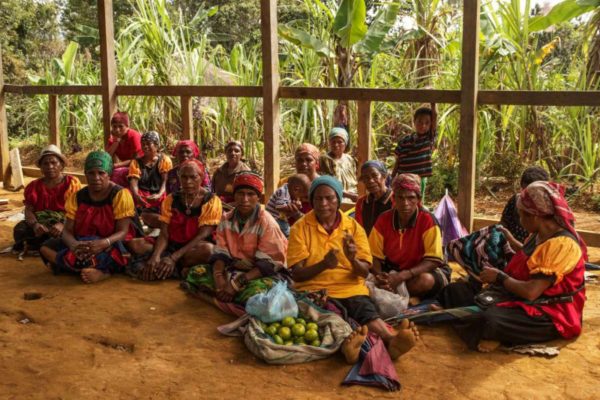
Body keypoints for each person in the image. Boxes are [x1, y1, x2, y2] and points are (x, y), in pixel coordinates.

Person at [438, 181, 587, 352]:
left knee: (489, 320)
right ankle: (477, 326)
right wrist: (507, 238)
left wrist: (500, 277)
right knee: (455, 290)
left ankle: (486, 329)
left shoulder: (562, 244)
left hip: (549, 313)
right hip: (517, 298)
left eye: (522, 215)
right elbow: (528, 256)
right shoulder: (538, 235)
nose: (520, 221)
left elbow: (531, 292)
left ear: (535, 216)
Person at [287, 176, 419, 363]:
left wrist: (352, 259)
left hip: (351, 288)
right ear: (312, 200)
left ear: (338, 200)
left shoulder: (354, 228)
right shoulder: (299, 228)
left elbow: (364, 272)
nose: (324, 204)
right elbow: (297, 275)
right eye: (318, 199)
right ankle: (347, 346)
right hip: (314, 290)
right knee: (332, 316)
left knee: (366, 311)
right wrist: (324, 264)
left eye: (330, 198)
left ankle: (391, 340)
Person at [186, 171, 288, 304]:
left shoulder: (266, 222)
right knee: (196, 272)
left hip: (259, 273)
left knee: (256, 294)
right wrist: (219, 279)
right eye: (240, 193)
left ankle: (224, 294)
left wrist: (235, 285)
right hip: (234, 269)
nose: (245, 199)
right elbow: (221, 253)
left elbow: (268, 264)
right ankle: (224, 292)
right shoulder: (226, 218)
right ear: (234, 196)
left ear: (258, 198)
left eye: (250, 194)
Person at [39, 151, 137, 284]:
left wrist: (103, 243)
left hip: (110, 242)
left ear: (109, 174)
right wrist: (74, 245)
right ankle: (88, 267)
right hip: (82, 242)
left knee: (121, 253)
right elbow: (67, 230)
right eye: (91, 173)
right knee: (45, 248)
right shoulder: (77, 197)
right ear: (85, 174)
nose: (96, 178)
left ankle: (96, 270)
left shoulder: (120, 195)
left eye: (101, 173)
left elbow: (123, 232)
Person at [134, 160, 222, 281]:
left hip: (194, 246)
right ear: (179, 178)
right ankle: (170, 267)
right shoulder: (171, 199)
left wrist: (173, 258)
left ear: (201, 177)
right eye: (184, 177)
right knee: (136, 244)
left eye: (193, 177)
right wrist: (156, 256)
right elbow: (164, 233)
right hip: (172, 243)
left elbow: (203, 235)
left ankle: (169, 265)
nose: (188, 182)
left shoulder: (211, 200)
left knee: (208, 251)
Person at [369, 173, 449, 300]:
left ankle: (397, 294)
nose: (405, 203)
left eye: (411, 198)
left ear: (418, 199)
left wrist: (400, 277)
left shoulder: (427, 220)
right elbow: (374, 256)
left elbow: (433, 260)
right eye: (400, 198)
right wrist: (380, 277)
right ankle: (400, 294)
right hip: (393, 270)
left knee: (425, 280)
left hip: (422, 271)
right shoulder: (383, 219)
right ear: (393, 199)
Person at [13, 145, 81, 254]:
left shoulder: (71, 183)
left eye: (54, 163)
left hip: (66, 222)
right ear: (41, 167)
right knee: (20, 230)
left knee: (75, 232)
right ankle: (45, 245)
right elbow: (29, 209)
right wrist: (35, 225)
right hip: (42, 224)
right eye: (45, 163)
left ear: (61, 165)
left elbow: (77, 209)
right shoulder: (33, 186)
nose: (50, 166)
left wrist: (63, 224)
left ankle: (40, 246)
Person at [391, 103, 437, 201]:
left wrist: (433, 103)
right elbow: (398, 160)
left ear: (431, 125)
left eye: (427, 123)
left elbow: (435, 116)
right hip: (403, 176)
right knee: (403, 199)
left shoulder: (428, 138)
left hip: (419, 177)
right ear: (414, 122)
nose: (423, 125)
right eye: (420, 122)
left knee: (416, 200)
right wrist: (393, 176)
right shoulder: (405, 140)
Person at [128, 131, 173, 229]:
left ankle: (150, 216)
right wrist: (136, 195)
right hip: (143, 194)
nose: (145, 147)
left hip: (159, 193)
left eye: (148, 144)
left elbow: (166, 180)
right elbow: (133, 182)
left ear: (156, 145)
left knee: (168, 197)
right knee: (127, 194)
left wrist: (159, 194)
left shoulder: (164, 160)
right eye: (143, 144)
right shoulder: (136, 162)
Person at [501, 166, 550, 243]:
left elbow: (529, 252)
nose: (527, 197)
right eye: (525, 191)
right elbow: (504, 222)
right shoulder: (515, 201)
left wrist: (512, 241)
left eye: (532, 194)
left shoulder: (550, 213)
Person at [319, 127, 358, 202]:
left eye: (340, 142)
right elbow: (327, 183)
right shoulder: (325, 160)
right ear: (329, 143)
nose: (336, 145)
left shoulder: (350, 159)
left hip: (354, 195)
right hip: (335, 197)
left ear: (345, 144)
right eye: (333, 142)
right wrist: (348, 195)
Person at [354, 160, 393, 236]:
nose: (370, 181)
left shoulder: (396, 200)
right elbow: (359, 230)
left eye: (375, 175)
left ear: (384, 176)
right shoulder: (361, 203)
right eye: (366, 177)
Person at [106, 111, 143, 187]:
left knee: (115, 175)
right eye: (114, 126)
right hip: (125, 167)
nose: (117, 129)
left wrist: (117, 165)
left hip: (140, 166)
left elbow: (137, 160)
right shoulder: (113, 139)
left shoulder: (134, 136)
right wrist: (116, 141)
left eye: (121, 126)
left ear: (127, 126)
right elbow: (107, 156)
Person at [212, 140, 251, 204]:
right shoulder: (218, 172)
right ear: (226, 153)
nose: (233, 153)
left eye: (237, 151)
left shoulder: (246, 173)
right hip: (218, 206)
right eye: (229, 151)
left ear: (241, 154)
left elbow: (248, 198)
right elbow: (213, 192)